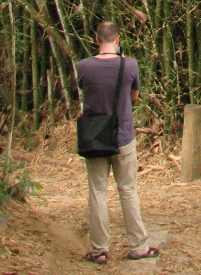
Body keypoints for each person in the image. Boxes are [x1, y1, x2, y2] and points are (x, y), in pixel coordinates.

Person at [76, 21, 159, 263]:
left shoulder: (85, 66)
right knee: (128, 191)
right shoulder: (130, 64)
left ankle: (100, 249)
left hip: (94, 137)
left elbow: (86, 91)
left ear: (96, 38)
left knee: (98, 192)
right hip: (123, 137)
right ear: (118, 39)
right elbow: (134, 96)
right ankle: (138, 246)